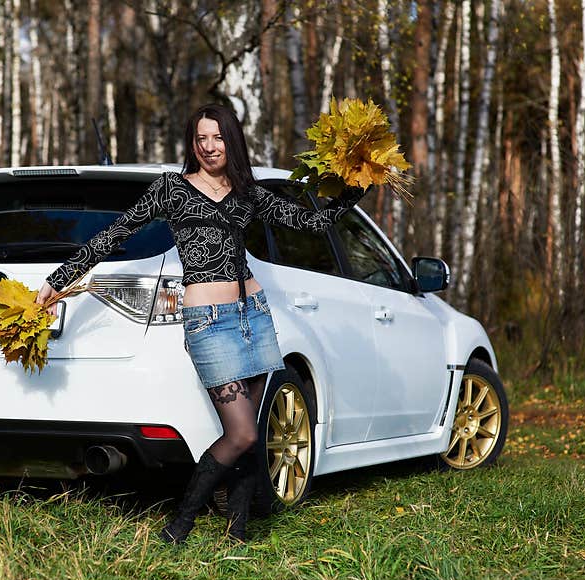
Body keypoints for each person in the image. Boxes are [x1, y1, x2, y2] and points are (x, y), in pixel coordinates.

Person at [36, 103, 367, 544]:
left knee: (251, 431)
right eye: (201, 139)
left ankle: (239, 532)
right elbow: (115, 233)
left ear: (232, 140)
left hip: (254, 318)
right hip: (208, 322)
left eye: (218, 137)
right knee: (242, 431)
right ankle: (180, 525)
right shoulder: (172, 189)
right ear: (192, 144)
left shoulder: (249, 193)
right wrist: (59, 279)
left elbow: (311, 222)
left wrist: (356, 186)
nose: (209, 147)